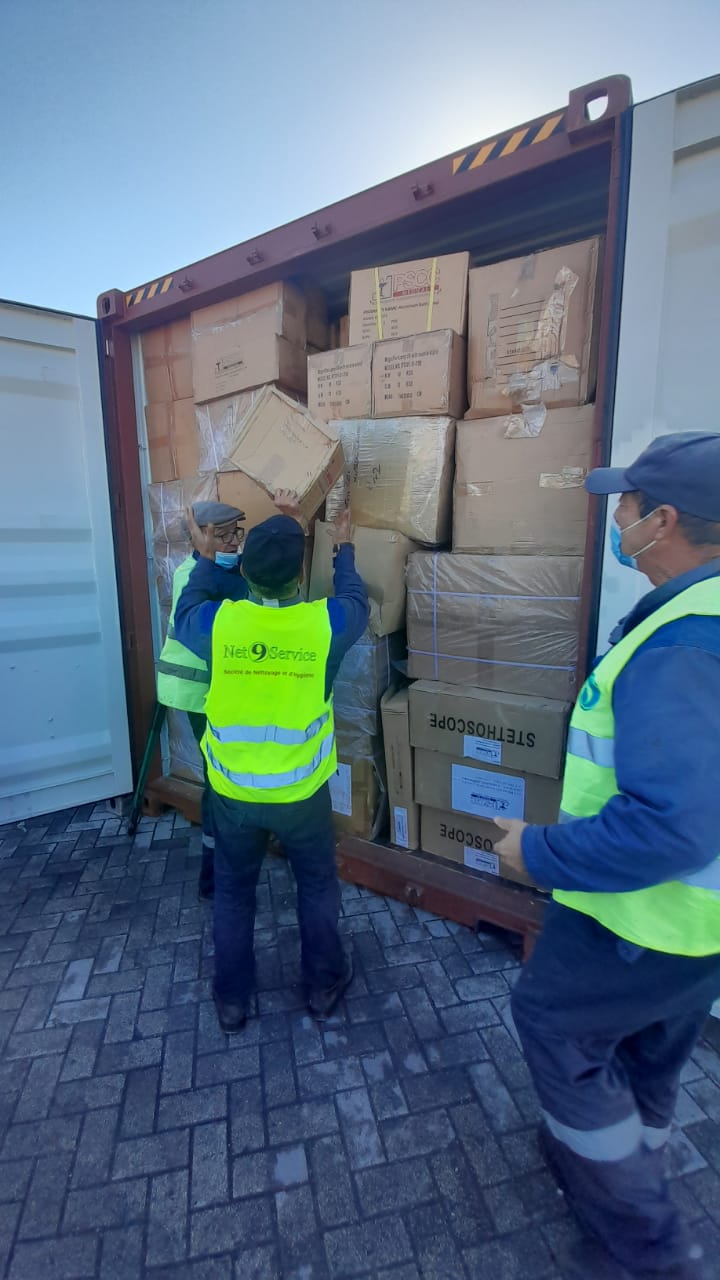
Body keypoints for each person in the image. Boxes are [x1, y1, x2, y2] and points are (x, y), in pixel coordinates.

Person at [494, 432, 720, 1280]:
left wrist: (538, 852)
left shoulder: (684, 647)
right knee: (651, 1049)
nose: (616, 517)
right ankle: (624, 1158)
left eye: (625, 504)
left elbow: (673, 829)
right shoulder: (694, 620)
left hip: (640, 915)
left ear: (664, 521)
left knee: (552, 1023)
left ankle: (647, 1241)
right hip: (697, 930)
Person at [174, 491, 369, 1032]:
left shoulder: (219, 624)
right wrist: (343, 546)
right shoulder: (325, 624)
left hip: (234, 795)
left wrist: (205, 557)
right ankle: (323, 986)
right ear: (299, 576)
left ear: (246, 573)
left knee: (234, 895)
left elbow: (185, 610)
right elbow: (356, 597)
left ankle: (232, 999)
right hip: (301, 796)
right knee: (316, 886)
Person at [156, 500, 245, 900]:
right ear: (198, 538)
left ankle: (227, 858)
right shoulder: (190, 575)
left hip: (218, 694)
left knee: (224, 777)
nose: (232, 542)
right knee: (218, 780)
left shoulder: (226, 572)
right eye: (222, 535)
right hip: (198, 694)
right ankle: (213, 874)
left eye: (236, 533)